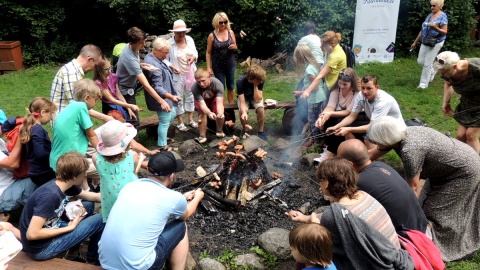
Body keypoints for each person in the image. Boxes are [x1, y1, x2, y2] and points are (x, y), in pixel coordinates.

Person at [367, 116, 480, 261]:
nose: (374, 143)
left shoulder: (410, 151)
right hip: (448, 168)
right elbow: (370, 156)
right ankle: (429, 241)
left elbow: (412, 189)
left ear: (385, 139)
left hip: (464, 172)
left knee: (436, 213)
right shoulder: (402, 133)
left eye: (376, 140)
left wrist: (408, 216)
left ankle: (442, 250)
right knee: (425, 204)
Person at [286, 157, 413, 269]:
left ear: (326, 183)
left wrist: (312, 224)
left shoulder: (334, 215)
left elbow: (326, 223)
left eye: (321, 180)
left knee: (310, 251)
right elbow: (332, 217)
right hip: (394, 258)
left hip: (377, 265)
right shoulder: (364, 195)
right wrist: (304, 218)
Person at [99, 151, 204, 269]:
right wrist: (198, 197)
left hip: (106, 261)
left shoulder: (129, 186)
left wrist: (182, 198)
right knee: (181, 226)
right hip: (139, 267)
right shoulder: (173, 198)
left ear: (148, 170)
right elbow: (185, 215)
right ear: (172, 176)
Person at [19, 151, 104, 263]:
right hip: (42, 248)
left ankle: (72, 253)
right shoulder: (49, 196)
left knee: (87, 205)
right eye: (83, 173)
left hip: (52, 227)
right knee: (100, 220)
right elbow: (32, 234)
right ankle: (93, 261)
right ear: (74, 176)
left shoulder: (65, 184)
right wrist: (69, 228)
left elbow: (94, 197)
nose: (85, 175)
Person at [337, 139, 428, 235]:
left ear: (350, 164)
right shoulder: (381, 165)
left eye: (339, 161)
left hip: (407, 238)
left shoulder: (358, 182)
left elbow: (346, 210)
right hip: (421, 225)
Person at [49, 79, 101, 190]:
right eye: (96, 99)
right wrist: (105, 153)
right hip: (68, 164)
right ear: (87, 98)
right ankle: (97, 187)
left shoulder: (70, 106)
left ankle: (86, 190)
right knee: (107, 167)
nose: (96, 103)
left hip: (57, 160)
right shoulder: (81, 107)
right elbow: (91, 135)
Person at [326, 75, 403, 148]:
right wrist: (336, 127)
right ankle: (355, 155)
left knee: (368, 138)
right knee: (346, 128)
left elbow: (372, 127)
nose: (365, 92)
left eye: (369, 88)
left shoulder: (383, 101)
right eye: (363, 88)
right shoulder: (360, 95)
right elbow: (351, 116)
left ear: (377, 87)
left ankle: (370, 159)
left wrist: (349, 129)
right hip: (377, 123)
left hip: (393, 128)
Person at [116, 27, 171, 128]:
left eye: (144, 41)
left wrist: (141, 65)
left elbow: (131, 65)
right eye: (141, 42)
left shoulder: (131, 47)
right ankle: (132, 143)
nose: (144, 44)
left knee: (132, 120)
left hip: (128, 88)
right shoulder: (130, 58)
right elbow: (146, 85)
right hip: (124, 91)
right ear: (132, 42)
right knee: (133, 122)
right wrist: (161, 101)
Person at [50, 44, 112, 123]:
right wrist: (105, 117)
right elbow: (79, 105)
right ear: (90, 59)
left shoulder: (73, 70)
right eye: (95, 66)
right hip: (65, 123)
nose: (94, 69)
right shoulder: (71, 73)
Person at [315, 68, 366, 162]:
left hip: (359, 115)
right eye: (340, 83)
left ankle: (330, 153)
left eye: (345, 84)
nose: (342, 86)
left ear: (352, 83)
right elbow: (330, 106)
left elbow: (348, 112)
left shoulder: (357, 93)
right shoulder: (336, 90)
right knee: (328, 120)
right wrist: (322, 116)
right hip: (345, 115)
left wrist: (330, 113)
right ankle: (329, 148)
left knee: (338, 123)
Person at [92, 120, 139, 222]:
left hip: (109, 197)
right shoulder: (133, 156)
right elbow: (133, 172)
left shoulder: (96, 158)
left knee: (113, 218)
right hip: (130, 194)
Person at [434, 51, 480, 153]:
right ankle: (459, 162)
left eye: (445, 72)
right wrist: (446, 102)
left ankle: (474, 165)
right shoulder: (447, 71)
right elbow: (448, 84)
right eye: (441, 72)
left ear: (455, 66)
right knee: (460, 136)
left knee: (471, 135)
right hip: (466, 103)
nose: (443, 74)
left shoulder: (476, 67)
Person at [144, 38, 181, 151]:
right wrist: (170, 96)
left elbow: (164, 62)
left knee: (173, 113)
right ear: (155, 50)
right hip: (159, 97)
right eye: (164, 52)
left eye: (167, 52)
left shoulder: (154, 57)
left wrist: (171, 66)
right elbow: (157, 87)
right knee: (165, 121)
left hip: (166, 93)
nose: (166, 55)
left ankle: (161, 136)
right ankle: (162, 145)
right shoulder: (153, 65)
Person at [165, 19, 199, 132]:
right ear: (174, 32)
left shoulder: (189, 40)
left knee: (191, 95)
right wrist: (172, 66)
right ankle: (180, 121)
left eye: (183, 32)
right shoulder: (169, 44)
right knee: (178, 98)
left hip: (190, 72)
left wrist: (193, 57)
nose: (181, 35)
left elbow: (195, 53)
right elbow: (164, 60)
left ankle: (190, 119)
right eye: (179, 33)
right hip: (177, 75)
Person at [18, 98, 57, 187]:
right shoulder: (37, 130)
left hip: (37, 171)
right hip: (43, 172)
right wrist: (55, 154)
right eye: (51, 113)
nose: (51, 117)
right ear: (42, 113)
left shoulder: (31, 127)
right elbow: (40, 153)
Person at [411, 0, 448, 89]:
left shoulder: (443, 16)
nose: (432, 7)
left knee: (427, 63)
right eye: (431, 5)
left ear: (439, 6)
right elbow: (422, 30)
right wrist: (415, 42)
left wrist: (435, 28)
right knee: (420, 61)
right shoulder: (429, 16)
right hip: (426, 40)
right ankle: (432, 71)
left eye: (434, 6)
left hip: (436, 42)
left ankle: (423, 85)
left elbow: (445, 31)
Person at [301, 31, 347, 103]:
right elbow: (323, 67)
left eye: (323, 44)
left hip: (334, 86)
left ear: (328, 44)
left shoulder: (335, 56)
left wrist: (307, 91)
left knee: (327, 108)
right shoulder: (333, 49)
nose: (321, 46)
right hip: (330, 83)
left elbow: (320, 76)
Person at [0, 137, 37, 222]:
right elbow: (13, 163)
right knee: (38, 180)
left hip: (11, 182)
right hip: (3, 193)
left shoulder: (0, 141)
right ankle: (43, 218)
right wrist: (19, 138)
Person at [293, 44, 323, 146]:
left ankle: (315, 143)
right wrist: (301, 91)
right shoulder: (313, 65)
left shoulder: (309, 70)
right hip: (317, 97)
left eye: (297, 57)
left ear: (301, 56)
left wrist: (303, 93)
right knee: (314, 120)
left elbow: (316, 87)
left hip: (315, 99)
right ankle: (315, 141)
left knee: (312, 121)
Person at [206, 12, 238, 104]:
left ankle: (231, 107)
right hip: (218, 66)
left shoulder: (230, 32)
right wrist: (208, 67)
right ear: (216, 23)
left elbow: (235, 45)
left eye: (225, 22)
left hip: (230, 64)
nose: (223, 24)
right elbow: (208, 53)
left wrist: (234, 47)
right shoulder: (212, 35)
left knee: (231, 86)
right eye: (221, 22)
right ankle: (222, 108)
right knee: (221, 88)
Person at [191, 68, 225, 144]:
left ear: (209, 77)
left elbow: (219, 103)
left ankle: (219, 131)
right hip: (201, 100)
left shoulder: (218, 84)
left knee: (219, 113)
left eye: (203, 81)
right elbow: (202, 105)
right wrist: (209, 113)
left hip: (213, 98)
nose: (201, 84)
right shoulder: (194, 88)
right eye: (198, 82)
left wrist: (220, 113)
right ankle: (202, 135)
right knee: (202, 113)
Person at [236, 64, 268, 140]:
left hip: (256, 97)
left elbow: (258, 99)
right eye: (258, 80)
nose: (260, 81)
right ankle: (246, 130)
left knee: (260, 108)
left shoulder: (260, 79)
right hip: (244, 98)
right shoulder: (240, 81)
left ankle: (261, 131)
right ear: (250, 79)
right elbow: (242, 102)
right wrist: (244, 112)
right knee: (242, 111)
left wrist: (255, 85)